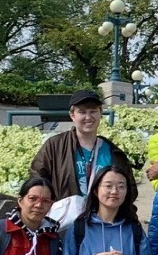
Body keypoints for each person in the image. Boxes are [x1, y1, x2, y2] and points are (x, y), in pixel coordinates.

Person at [31, 90, 127, 229]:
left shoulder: (113, 151)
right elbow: (37, 178)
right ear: (72, 115)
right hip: (64, 225)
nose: (88, 117)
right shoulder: (55, 146)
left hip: (102, 226)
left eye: (93, 111)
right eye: (82, 112)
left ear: (100, 113)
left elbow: (127, 187)